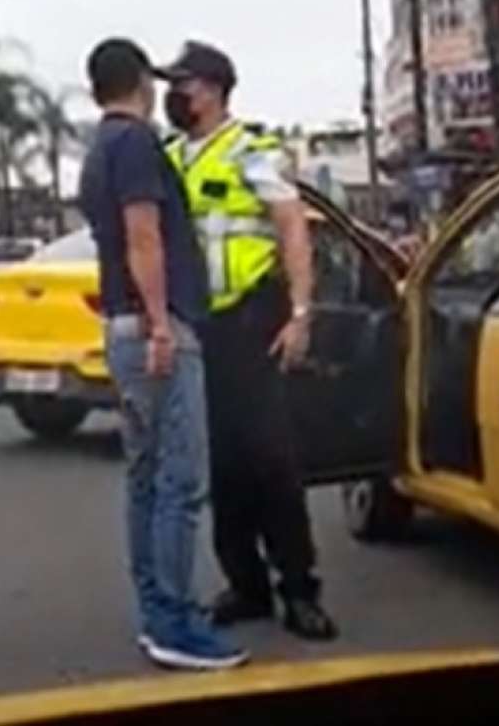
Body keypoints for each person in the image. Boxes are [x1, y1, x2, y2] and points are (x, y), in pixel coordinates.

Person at [78, 38, 247, 671]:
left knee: (146, 478)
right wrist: (161, 327)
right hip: (155, 326)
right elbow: (143, 236)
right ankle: (176, 622)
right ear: (141, 82)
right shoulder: (137, 144)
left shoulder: (99, 149)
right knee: (180, 479)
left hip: (123, 326)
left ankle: (157, 611)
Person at [160, 41, 337, 641]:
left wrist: (301, 314)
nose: (173, 96)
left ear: (210, 89)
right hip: (199, 327)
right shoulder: (174, 157)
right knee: (223, 463)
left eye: (182, 85)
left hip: (253, 322)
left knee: (271, 460)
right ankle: (248, 584)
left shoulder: (251, 152)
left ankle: (299, 588)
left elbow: (292, 229)